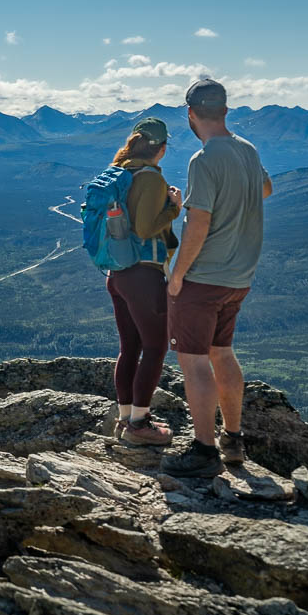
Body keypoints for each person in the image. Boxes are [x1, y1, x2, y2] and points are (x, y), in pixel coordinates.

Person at [161, 79, 272, 477]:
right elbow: (266, 189)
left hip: (205, 277)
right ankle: (233, 438)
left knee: (193, 361)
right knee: (221, 352)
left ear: (190, 114)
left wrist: (178, 274)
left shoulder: (203, 160)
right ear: (225, 111)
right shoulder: (248, 150)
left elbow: (199, 223)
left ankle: (204, 451)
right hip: (240, 276)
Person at [107, 117, 183, 445]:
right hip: (144, 275)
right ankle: (139, 425)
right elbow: (143, 228)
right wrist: (173, 208)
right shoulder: (150, 177)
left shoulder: (121, 172)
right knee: (155, 348)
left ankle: (125, 420)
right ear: (162, 149)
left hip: (118, 274)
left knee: (130, 348)